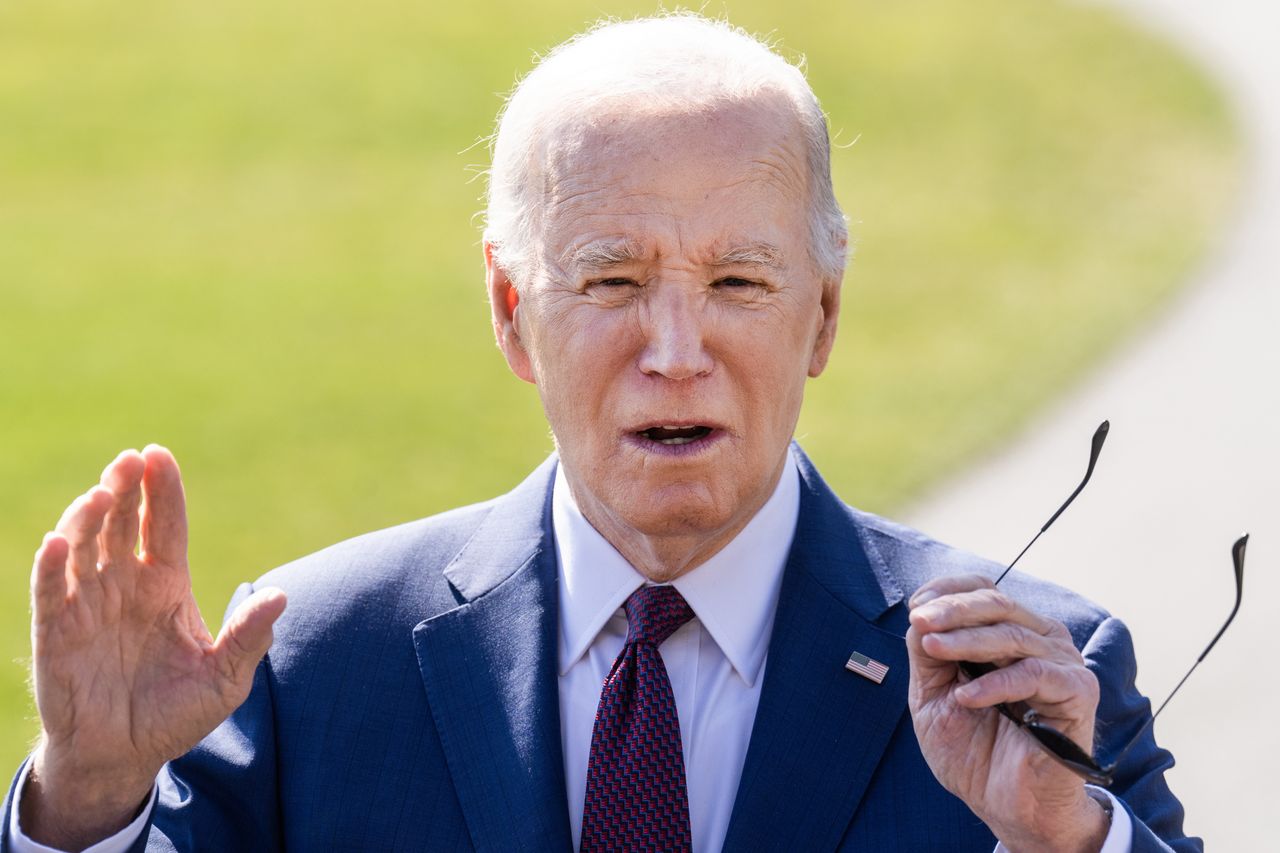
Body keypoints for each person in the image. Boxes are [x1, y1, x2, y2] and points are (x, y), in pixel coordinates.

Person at [3, 13, 1196, 853]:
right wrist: (90, 801)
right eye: (612, 281)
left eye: (737, 283)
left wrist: (1067, 843)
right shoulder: (315, 663)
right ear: (512, 313)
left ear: (821, 314)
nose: (674, 349)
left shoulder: (1036, 684)